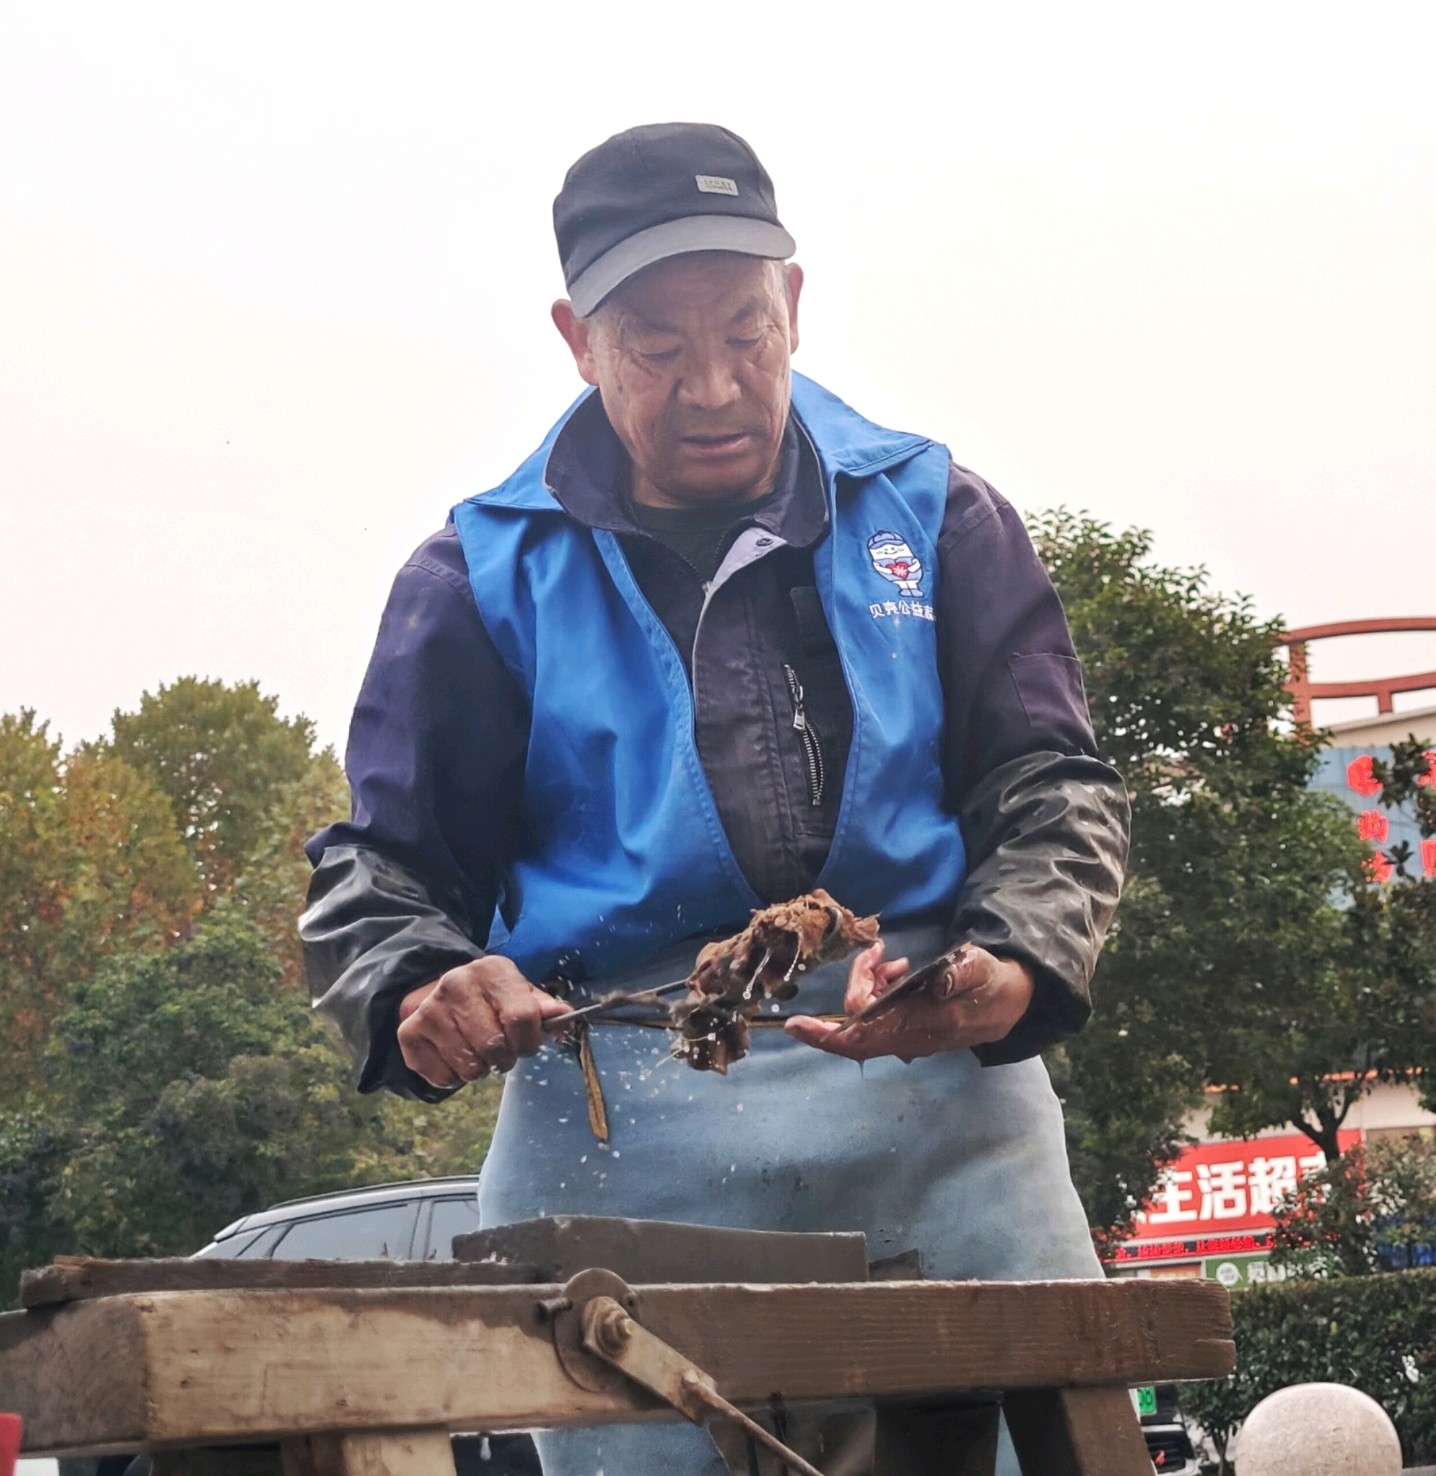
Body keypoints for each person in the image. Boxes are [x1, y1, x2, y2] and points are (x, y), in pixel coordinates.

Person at [302, 122, 1130, 1474]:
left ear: (793, 301)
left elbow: (1052, 784)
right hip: (620, 1152)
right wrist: (419, 981)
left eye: (747, 332)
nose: (715, 386)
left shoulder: (936, 513)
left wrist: (1021, 957)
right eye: (657, 348)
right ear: (578, 341)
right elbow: (379, 867)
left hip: (940, 1115)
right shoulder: (477, 578)